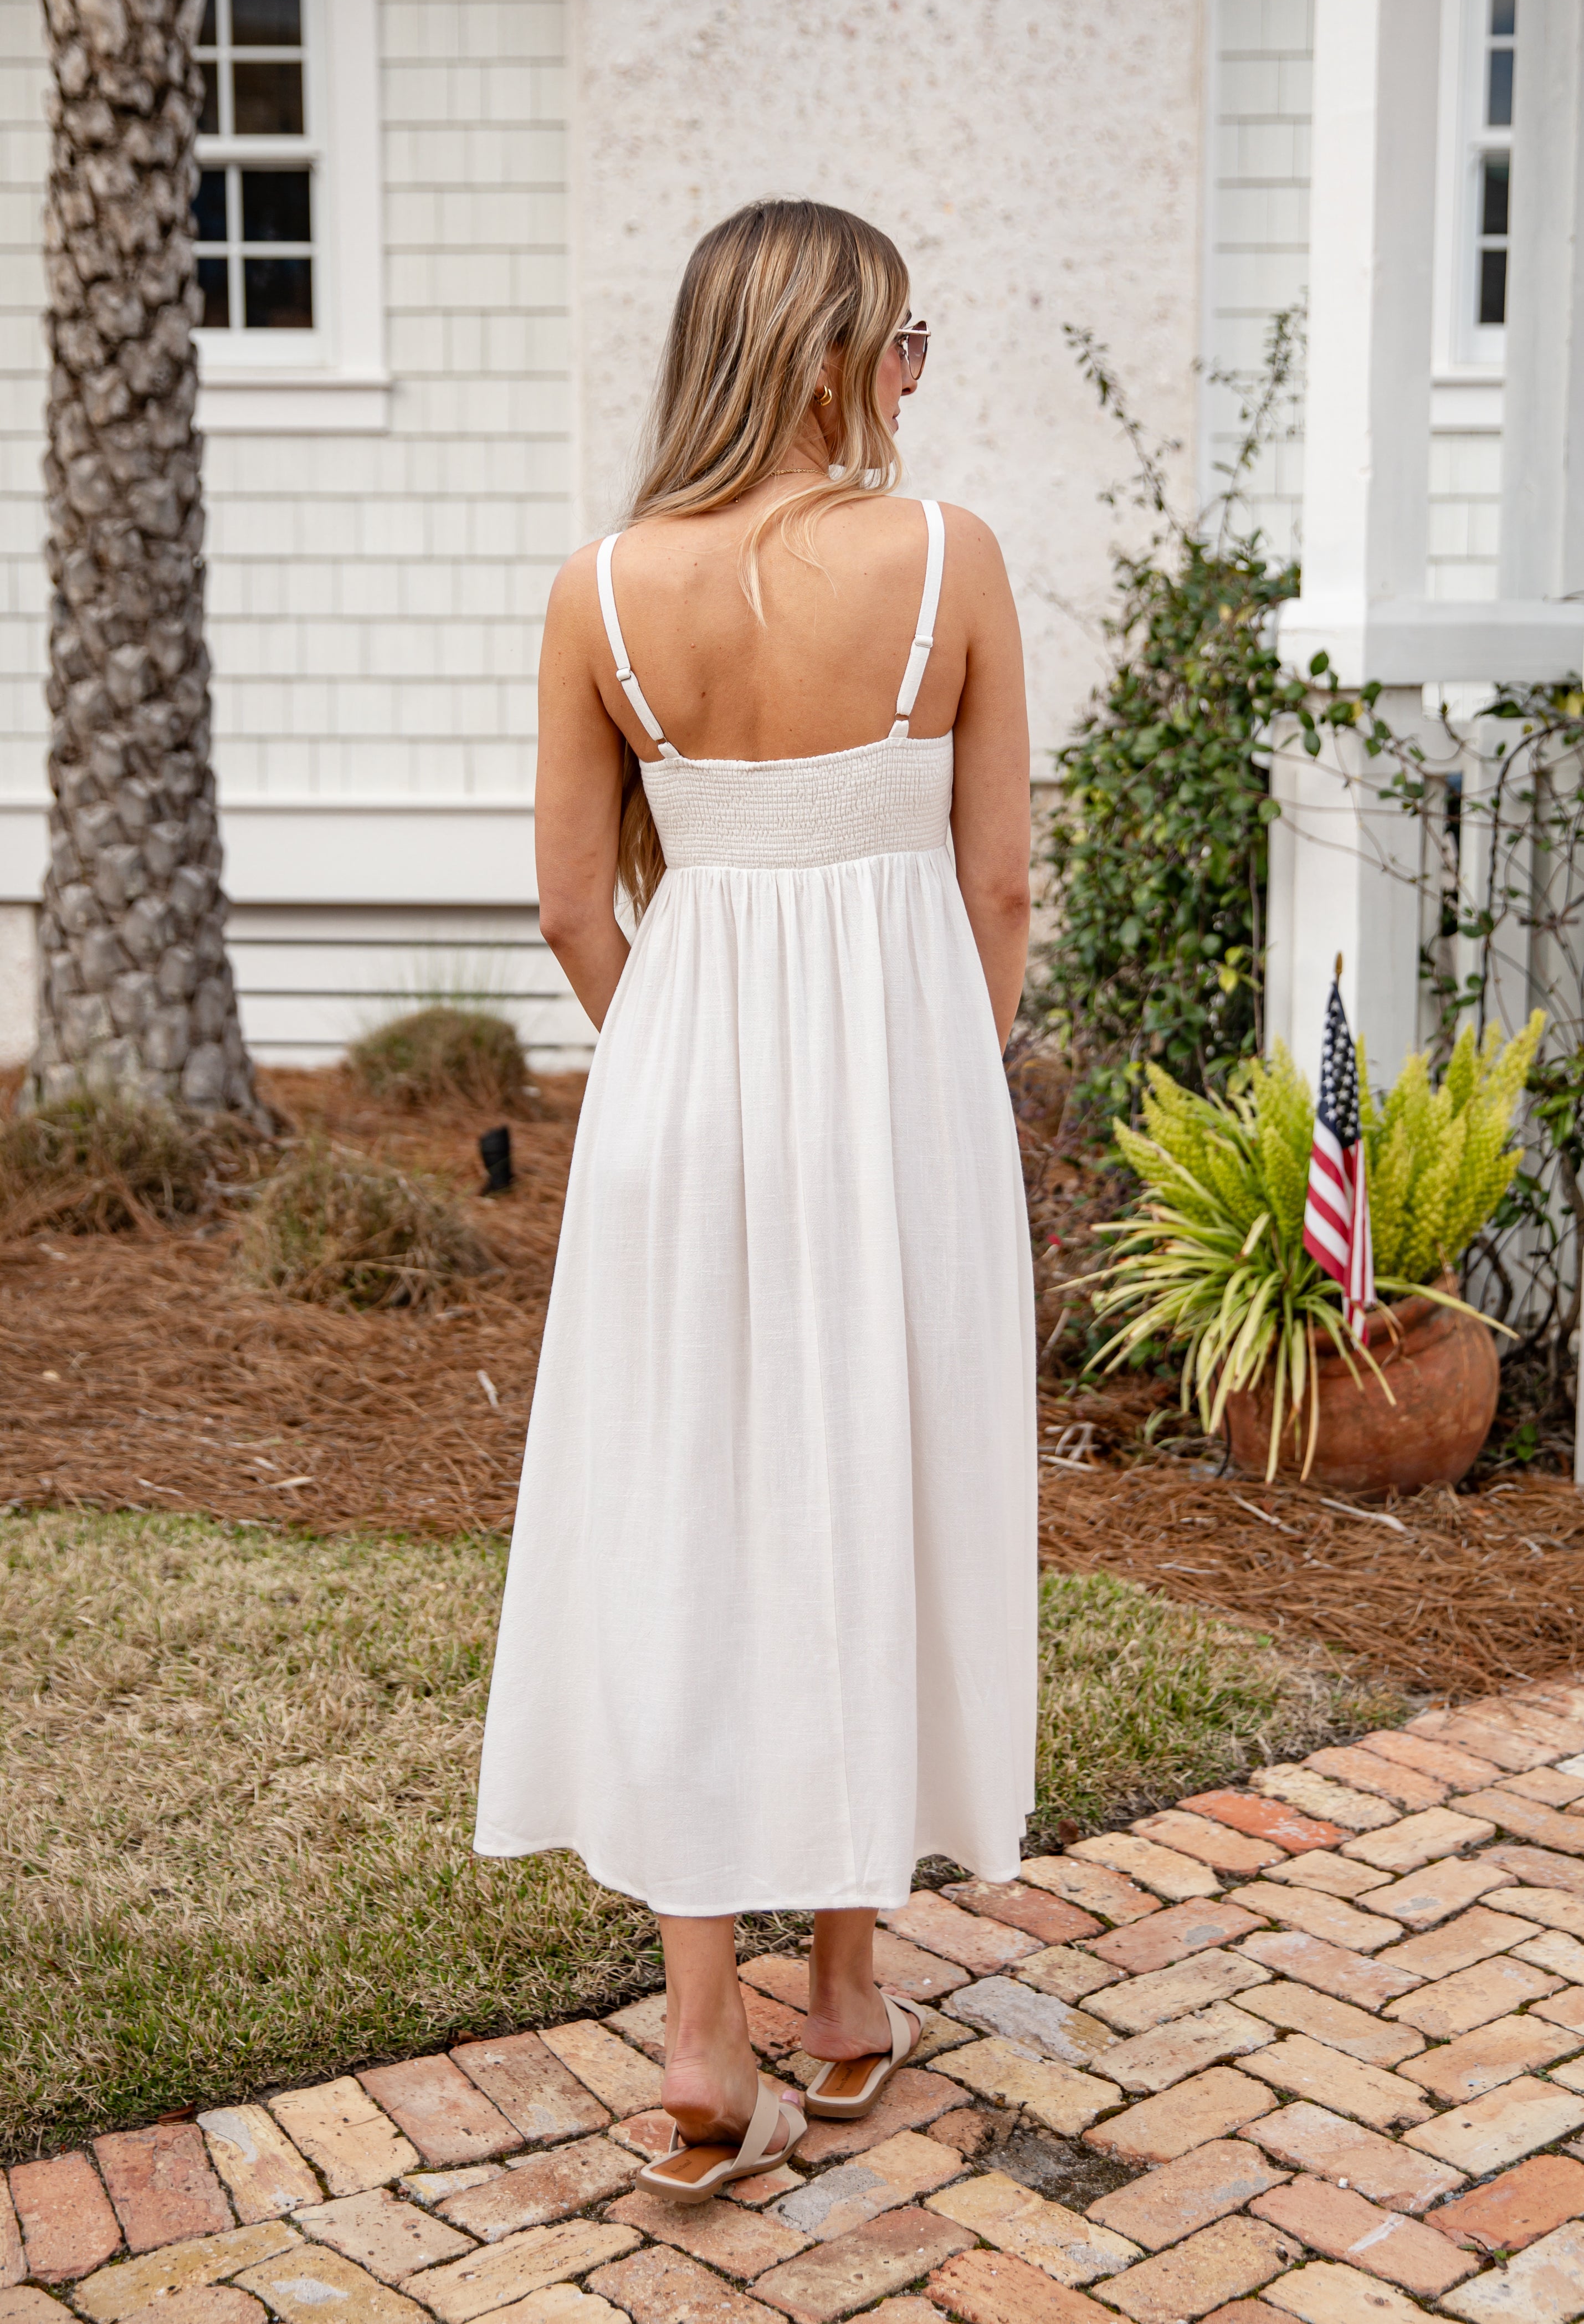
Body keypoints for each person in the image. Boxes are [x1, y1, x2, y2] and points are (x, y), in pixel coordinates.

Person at [475, 197, 1037, 2201]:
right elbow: (996, 891)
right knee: (870, 1488)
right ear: (823, 351)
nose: (913, 379)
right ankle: (850, 1994)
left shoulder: (598, 589)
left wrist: (669, 1061)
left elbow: (567, 903)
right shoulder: (947, 556)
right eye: (900, 343)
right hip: (903, 1104)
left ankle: (701, 2038)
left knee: (688, 1511)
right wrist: (933, 1089)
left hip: (672, 1104)